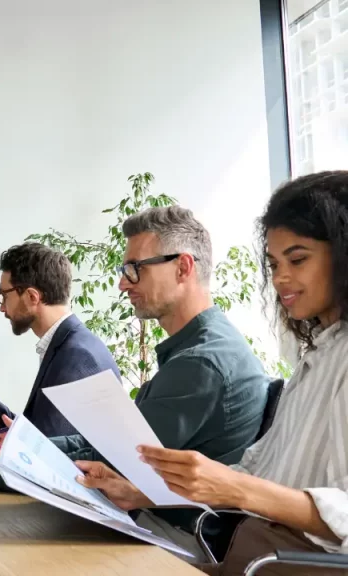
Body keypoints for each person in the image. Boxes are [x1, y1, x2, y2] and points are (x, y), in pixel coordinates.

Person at [0, 207, 269, 539]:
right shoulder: (196, 351)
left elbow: (113, 460)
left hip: (172, 534)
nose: (123, 283)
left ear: (183, 267)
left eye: (134, 270)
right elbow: (99, 445)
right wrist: (7, 447)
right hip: (155, 520)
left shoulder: (200, 362)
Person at [80, 171, 348, 575]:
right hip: (253, 550)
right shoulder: (318, 357)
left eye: (297, 259)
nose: (280, 279)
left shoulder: (209, 360)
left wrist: (234, 487)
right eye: (274, 264)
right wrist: (140, 493)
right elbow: (256, 473)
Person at [0, 243, 120, 461]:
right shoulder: (69, 343)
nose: (1, 307)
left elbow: (41, 454)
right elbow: (38, 436)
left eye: (4, 295)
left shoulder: (76, 356)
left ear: (32, 297)